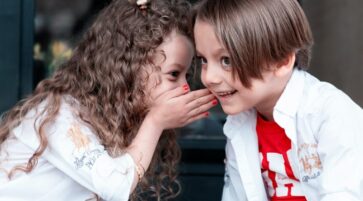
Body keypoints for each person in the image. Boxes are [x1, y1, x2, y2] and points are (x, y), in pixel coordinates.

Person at [0, 0, 217, 200]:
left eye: (186, 76)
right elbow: (115, 186)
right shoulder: (60, 114)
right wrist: (156, 121)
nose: (184, 88)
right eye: (173, 74)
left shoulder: (113, 117)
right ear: (131, 68)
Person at [193, 0, 363, 200]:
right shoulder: (239, 124)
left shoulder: (332, 114)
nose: (209, 77)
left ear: (282, 61)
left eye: (226, 60)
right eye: (203, 59)